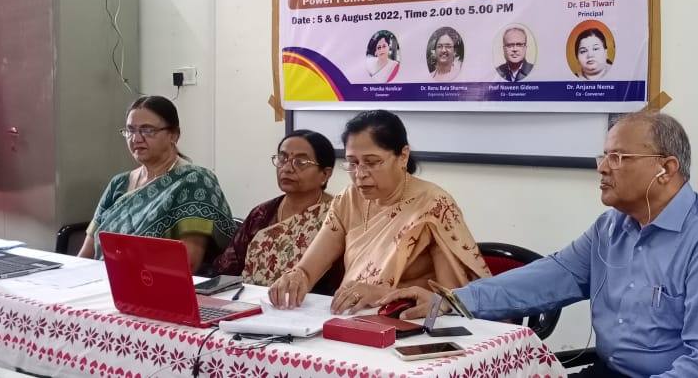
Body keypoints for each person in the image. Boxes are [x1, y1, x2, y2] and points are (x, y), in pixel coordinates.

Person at [380, 109, 698, 378]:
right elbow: (550, 277)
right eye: (604, 155)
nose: (602, 167)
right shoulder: (612, 228)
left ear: (665, 169)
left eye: (618, 157)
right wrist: (452, 300)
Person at [268, 109, 491, 314]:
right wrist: (297, 276)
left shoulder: (433, 206)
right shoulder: (348, 199)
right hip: (351, 317)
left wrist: (383, 294)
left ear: (403, 156)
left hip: (407, 320)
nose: (360, 174)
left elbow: (451, 299)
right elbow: (310, 267)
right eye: (352, 163)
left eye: (372, 162)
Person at [78, 95, 236, 274]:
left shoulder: (194, 181)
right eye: (130, 130)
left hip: (158, 284)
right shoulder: (118, 184)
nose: (136, 139)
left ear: (174, 135)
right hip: (102, 281)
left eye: (147, 130)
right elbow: (87, 253)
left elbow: (188, 263)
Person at [211, 130, 343, 293]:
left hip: (309, 304)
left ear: (325, 174)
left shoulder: (338, 216)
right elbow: (226, 269)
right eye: (282, 159)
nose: (287, 168)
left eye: (301, 162)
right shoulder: (261, 214)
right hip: (248, 301)